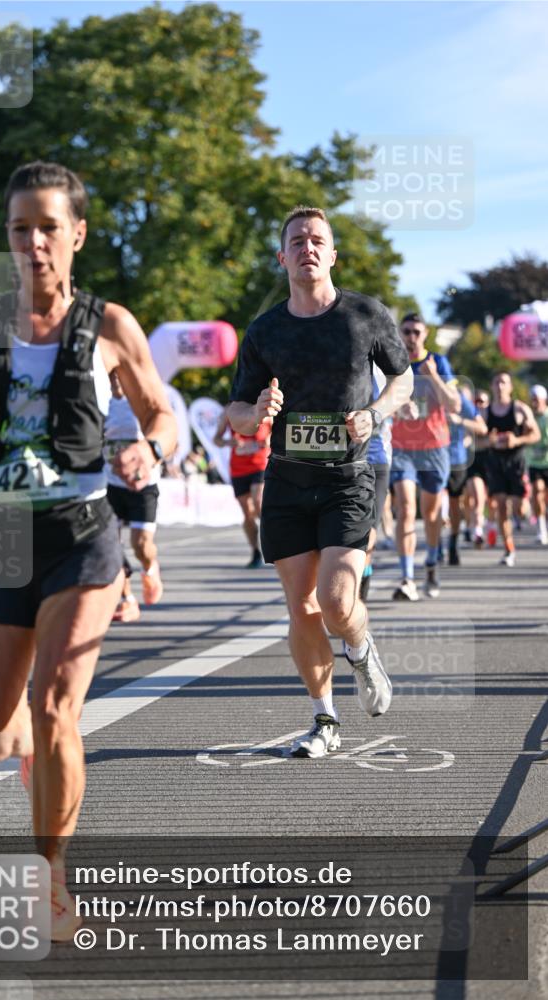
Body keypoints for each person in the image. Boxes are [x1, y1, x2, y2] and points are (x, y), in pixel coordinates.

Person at [0, 161, 176, 936]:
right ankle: (31, 744)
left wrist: (150, 453)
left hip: (81, 531)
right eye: (18, 229)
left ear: (76, 234)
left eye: (46, 227)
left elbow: (160, 414)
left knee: (57, 705)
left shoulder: (111, 326)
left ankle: (50, 875)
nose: (32, 242)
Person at [228, 205, 412, 760]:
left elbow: (403, 379)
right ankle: (324, 717)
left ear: (332, 254)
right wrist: (256, 409)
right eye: (297, 240)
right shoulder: (264, 331)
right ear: (282, 257)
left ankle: (360, 646)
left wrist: (375, 414)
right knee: (301, 607)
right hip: (286, 479)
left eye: (317, 240)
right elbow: (235, 414)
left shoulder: (365, 315)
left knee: (336, 600)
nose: (307, 247)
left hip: (348, 477)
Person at [390, 313, 461, 601]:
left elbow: (454, 405)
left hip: (434, 447)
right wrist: (398, 405)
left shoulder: (439, 363)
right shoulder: (393, 363)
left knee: (431, 514)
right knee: (406, 509)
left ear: (425, 334)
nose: (411, 337)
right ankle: (407, 577)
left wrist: (433, 377)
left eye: (416, 332)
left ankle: (431, 561)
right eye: (406, 332)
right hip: (402, 448)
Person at [105, 370, 164, 622]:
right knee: (110, 546)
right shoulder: (99, 401)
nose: (117, 379)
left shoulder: (140, 401)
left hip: (143, 484)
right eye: (112, 375)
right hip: (110, 482)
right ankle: (127, 599)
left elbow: (165, 433)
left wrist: (153, 453)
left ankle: (150, 568)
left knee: (141, 545)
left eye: (121, 374)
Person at [483, 372, 540, 566]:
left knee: (519, 509)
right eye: (497, 382)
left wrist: (517, 440)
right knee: (500, 507)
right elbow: (474, 441)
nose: (500, 386)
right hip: (495, 463)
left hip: (516, 462)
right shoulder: (485, 412)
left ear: (510, 387)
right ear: (492, 386)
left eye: (504, 382)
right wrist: (487, 441)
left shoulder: (520, 409)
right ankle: (509, 549)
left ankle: (525, 503)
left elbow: (536, 435)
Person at [214, 409, 271, 568]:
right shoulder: (230, 411)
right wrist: (227, 442)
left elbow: (278, 433)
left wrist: (269, 439)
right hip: (238, 469)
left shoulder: (266, 409)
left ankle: (273, 542)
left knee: (258, 502)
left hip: (260, 464)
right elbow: (216, 439)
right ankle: (255, 551)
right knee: (247, 512)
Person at [359, 367, 393, 602]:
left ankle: (362, 582)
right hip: (348, 459)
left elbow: (400, 395)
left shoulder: (383, 372)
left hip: (378, 460)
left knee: (369, 532)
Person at [444, 384, 487, 565]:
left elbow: (482, 428)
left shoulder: (459, 397)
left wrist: (459, 420)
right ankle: (435, 547)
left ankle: (453, 542)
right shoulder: (423, 391)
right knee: (434, 503)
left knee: (455, 504)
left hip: (456, 458)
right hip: (429, 455)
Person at [464, 388, 491, 548]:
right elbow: (467, 439)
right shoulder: (470, 417)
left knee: (491, 502)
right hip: (472, 461)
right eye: (476, 401)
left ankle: (489, 525)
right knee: (475, 497)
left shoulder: (492, 417)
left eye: (482, 401)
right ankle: (477, 531)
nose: (479, 404)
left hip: (489, 461)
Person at [527, 384, 548, 546]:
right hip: (535, 463)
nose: (535, 403)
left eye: (537, 400)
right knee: (537, 492)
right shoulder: (529, 418)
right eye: (532, 400)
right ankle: (541, 529)